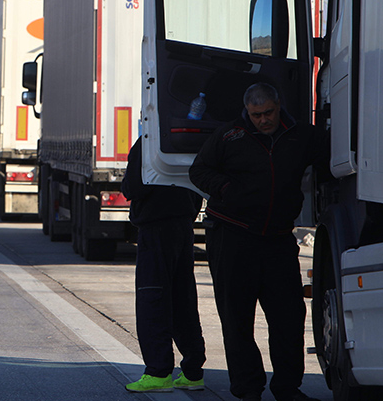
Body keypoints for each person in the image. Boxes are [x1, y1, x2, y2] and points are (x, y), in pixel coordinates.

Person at [189, 83, 328, 401]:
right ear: (247, 112)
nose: (263, 120)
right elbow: (199, 171)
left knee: (289, 318)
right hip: (233, 236)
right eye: (256, 115)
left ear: (278, 106)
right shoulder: (229, 136)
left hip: (278, 240)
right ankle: (247, 388)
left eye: (268, 113)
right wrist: (224, 189)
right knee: (237, 318)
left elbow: (328, 162)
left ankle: (287, 387)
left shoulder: (301, 135)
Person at [122, 136, 206, 394]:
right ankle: (193, 372)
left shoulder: (148, 142)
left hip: (155, 227)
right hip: (183, 226)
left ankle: (158, 372)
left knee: (153, 298)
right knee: (183, 299)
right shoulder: (187, 141)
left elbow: (132, 188)